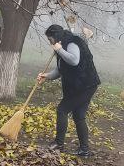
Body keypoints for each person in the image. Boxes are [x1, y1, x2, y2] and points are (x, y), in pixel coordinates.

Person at [38, 23, 100, 156]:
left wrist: (59, 49)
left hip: (85, 85)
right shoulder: (61, 46)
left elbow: (74, 60)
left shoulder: (72, 43)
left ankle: (59, 144)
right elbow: (61, 69)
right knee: (79, 116)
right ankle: (84, 150)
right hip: (80, 86)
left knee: (62, 110)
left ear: (56, 37)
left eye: (50, 39)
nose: (50, 42)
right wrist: (46, 76)